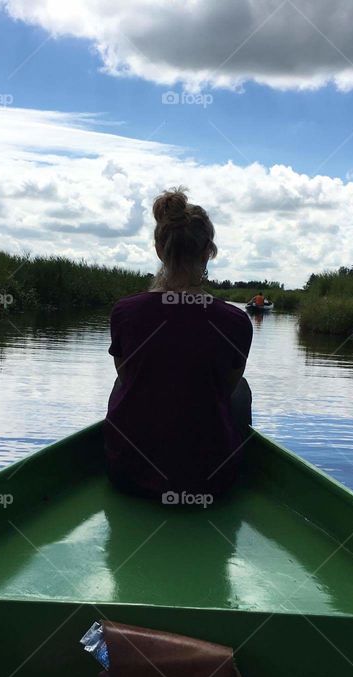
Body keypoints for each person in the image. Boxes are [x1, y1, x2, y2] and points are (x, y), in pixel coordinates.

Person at [105, 187, 253, 501]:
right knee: (241, 391)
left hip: (129, 476)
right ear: (208, 252)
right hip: (210, 483)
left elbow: (128, 376)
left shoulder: (125, 312)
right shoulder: (236, 322)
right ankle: (244, 469)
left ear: (159, 250)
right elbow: (225, 389)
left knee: (123, 382)